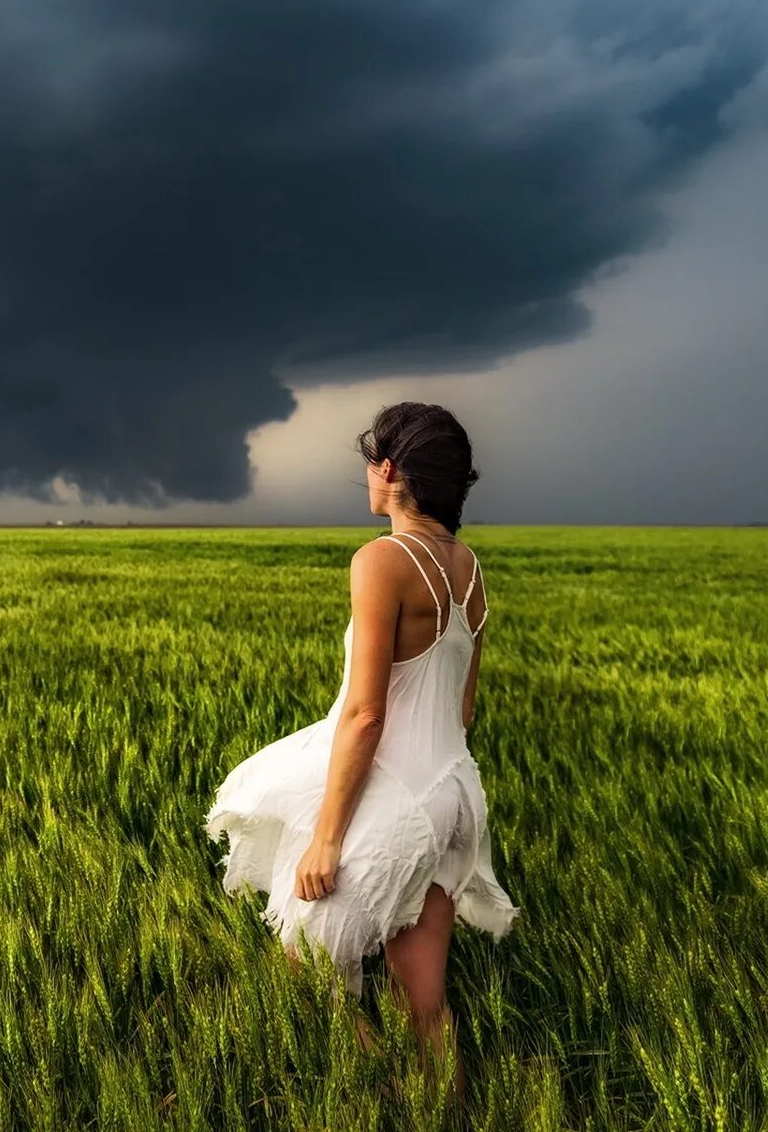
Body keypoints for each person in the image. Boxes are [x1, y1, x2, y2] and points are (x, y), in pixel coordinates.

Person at [203, 401, 519, 1104]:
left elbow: (366, 713)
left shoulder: (382, 561)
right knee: (426, 1005)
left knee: (303, 960)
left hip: (403, 798)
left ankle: (392, 1103)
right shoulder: (469, 571)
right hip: (456, 797)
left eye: (369, 464)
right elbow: (463, 709)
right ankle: (444, 1116)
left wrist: (327, 837)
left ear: (389, 470)